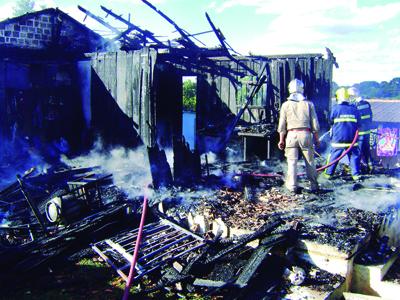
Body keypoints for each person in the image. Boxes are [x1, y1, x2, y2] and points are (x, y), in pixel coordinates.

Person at [278, 78, 320, 194]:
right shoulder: (309, 104)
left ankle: (292, 186)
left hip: (291, 135)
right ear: (302, 89)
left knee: (292, 162)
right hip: (306, 134)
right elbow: (315, 123)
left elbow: (282, 125)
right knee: (310, 161)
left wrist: (281, 140)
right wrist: (316, 139)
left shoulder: (285, 105)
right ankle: (313, 185)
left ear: (289, 89)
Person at [324, 87, 361, 180]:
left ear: (337, 97)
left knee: (334, 156)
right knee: (354, 156)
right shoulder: (354, 109)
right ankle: (356, 175)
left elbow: (330, 121)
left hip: (338, 138)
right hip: (352, 139)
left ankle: (328, 174)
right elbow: (359, 123)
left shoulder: (335, 109)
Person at [348, 87, 374, 173]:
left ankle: (360, 168)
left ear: (354, 95)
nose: (350, 98)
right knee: (367, 150)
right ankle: (370, 166)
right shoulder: (367, 103)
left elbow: (355, 120)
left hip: (360, 133)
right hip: (367, 131)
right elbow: (370, 117)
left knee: (358, 151)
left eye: (350, 96)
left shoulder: (356, 106)